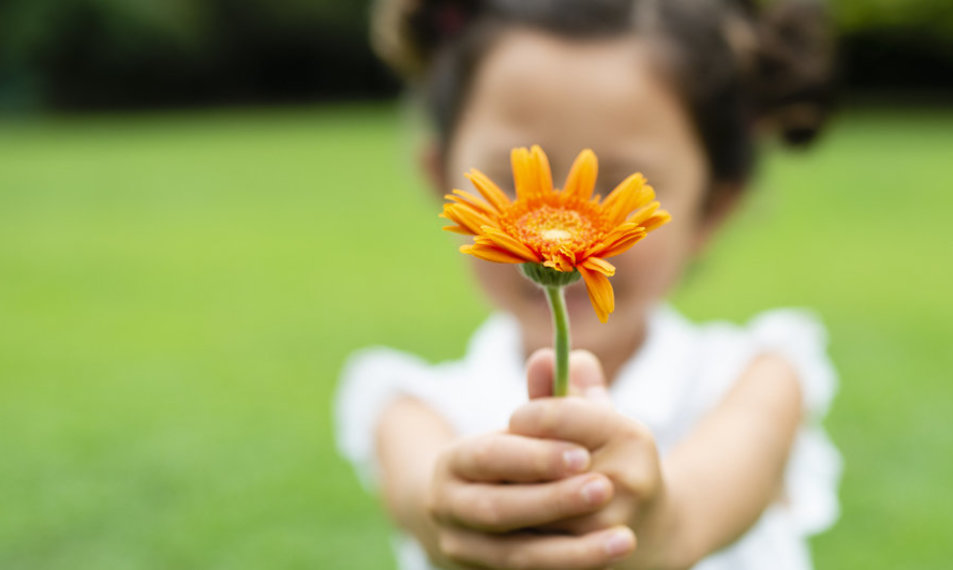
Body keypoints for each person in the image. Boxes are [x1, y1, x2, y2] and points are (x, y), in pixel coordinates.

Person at [337, 0, 840, 568]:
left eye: (621, 185)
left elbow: (702, 503)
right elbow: (424, 502)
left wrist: (655, 528)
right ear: (441, 177)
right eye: (511, 180)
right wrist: (466, 513)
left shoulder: (755, 380)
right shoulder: (412, 409)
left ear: (713, 209)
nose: (560, 229)